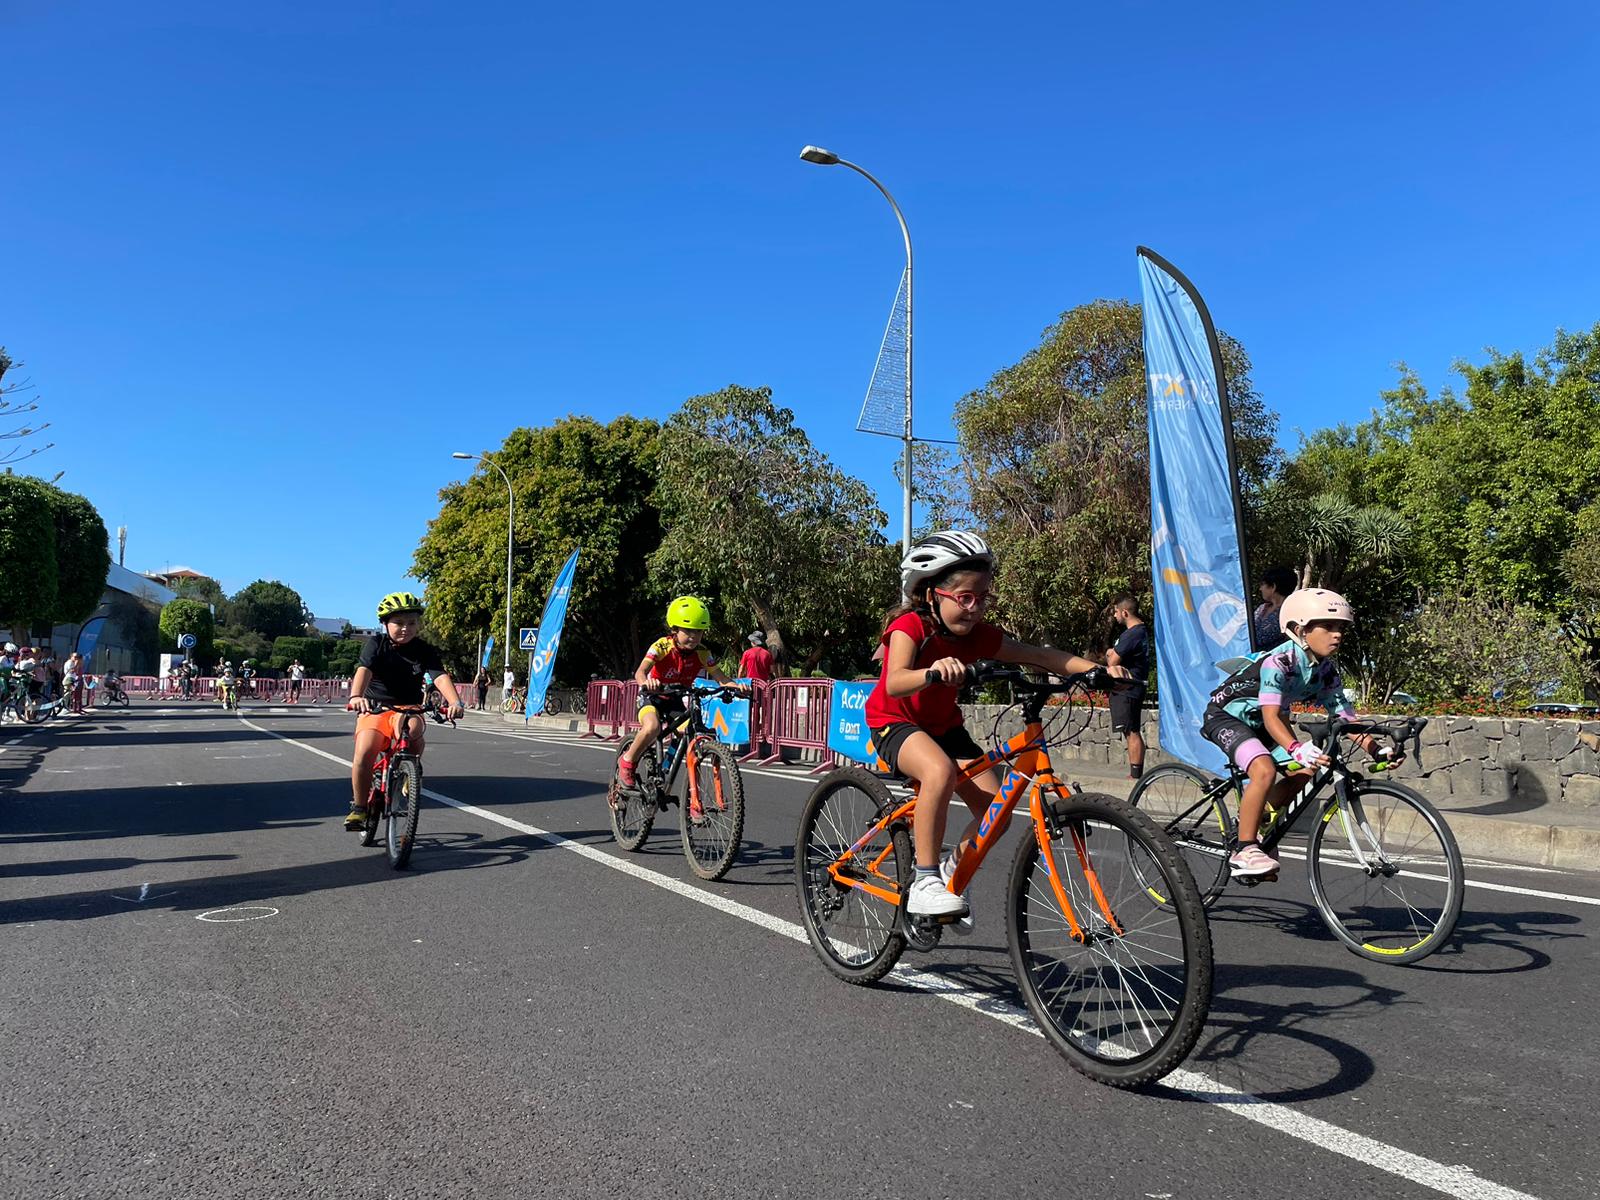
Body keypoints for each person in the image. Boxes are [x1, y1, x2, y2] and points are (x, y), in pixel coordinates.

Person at [864, 531, 1130, 919]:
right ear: (932, 594)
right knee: (938, 770)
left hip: (944, 729)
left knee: (997, 814)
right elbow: (895, 681)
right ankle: (924, 881)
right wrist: (933, 671)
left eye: (983, 598)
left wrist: (1099, 672)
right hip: (894, 721)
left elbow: (1039, 655)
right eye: (965, 598)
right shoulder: (910, 626)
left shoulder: (979, 636)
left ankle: (949, 873)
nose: (974, 608)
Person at [1201, 588, 1392, 879]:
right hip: (1226, 717)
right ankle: (1245, 848)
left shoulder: (1325, 670)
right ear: (1299, 630)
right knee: (1264, 770)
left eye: (1340, 627)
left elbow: (1345, 718)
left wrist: (1376, 749)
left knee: (1307, 769)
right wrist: (1294, 747)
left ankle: (1257, 817)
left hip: (1265, 723)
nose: (1337, 634)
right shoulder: (1279, 662)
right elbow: (1270, 716)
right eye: (1327, 627)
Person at [346, 592, 464, 830]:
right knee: (366, 750)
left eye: (411, 623)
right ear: (385, 624)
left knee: (413, 729)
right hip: (376, 707)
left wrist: (455, 702)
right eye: (398, 623)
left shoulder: (423, 649)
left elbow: (439, 676)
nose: (405, 629)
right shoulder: (376, 644)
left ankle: (411, 769)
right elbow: (364, 670)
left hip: (408, 706)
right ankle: (359, 808)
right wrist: (357, 696)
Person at [615, 596, 748, 790]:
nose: (694, 636)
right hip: (652, 697)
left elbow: (721, 678)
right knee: (652, 727)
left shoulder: (703, 653)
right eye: (688, 631)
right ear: (674, 630)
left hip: (676, 699)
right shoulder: (662, 646)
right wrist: (647, 683)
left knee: (691, 733)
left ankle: (687, 792)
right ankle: (627, 762)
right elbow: (640, 672)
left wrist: (739, 687)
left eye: (699, 632)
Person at [1105, 596, 1149, 779]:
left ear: (1125, 612)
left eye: (1116, 611)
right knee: (1128, 729)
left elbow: (1113, 661)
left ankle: (1135, 775)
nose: (1115, 615)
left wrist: (1111, 654)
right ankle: (1135, 772)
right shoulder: (1137, 632)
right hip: (1128, 688)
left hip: (1127, 688)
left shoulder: (1133, 633)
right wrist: (1111, 653)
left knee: (1131, 730)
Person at [1252, 566, 1298, 650]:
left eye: (1263, 585)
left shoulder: (1288, 613)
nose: (1260, 589)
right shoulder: (1262, 608)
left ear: (1273, 587)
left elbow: (1260, 638)